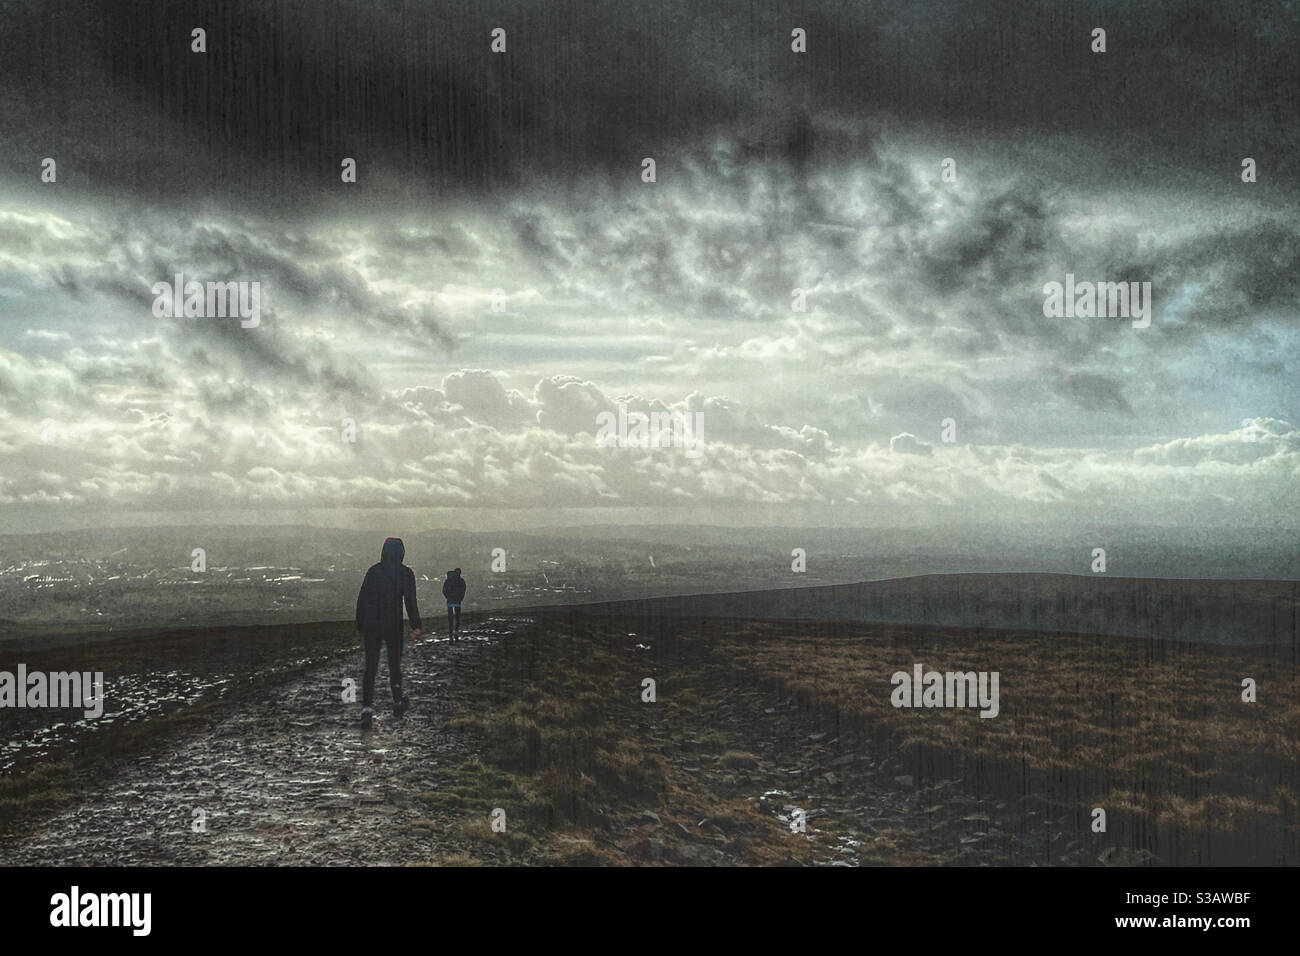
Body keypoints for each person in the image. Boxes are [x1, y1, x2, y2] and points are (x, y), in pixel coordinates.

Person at [355, 537, 422, 729]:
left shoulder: (373, 571)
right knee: (394, 665)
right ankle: (398, 702)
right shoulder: (406, 574)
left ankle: (367, 709)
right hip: (393, 624)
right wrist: (416, 625)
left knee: (371, 667)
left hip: (371, 623)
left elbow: (362, 598)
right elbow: (410, 602)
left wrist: (360, 622)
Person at [442, 567, 466, 641]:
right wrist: (460, 598)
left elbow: (444, 590)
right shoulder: (461, 581)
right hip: (457, 602)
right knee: (457, 618)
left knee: (451, 619)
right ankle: (456, 632)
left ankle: (450, 635)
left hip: (450, 602)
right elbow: (463, 591)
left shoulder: (448, 580)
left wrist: (448, 597)